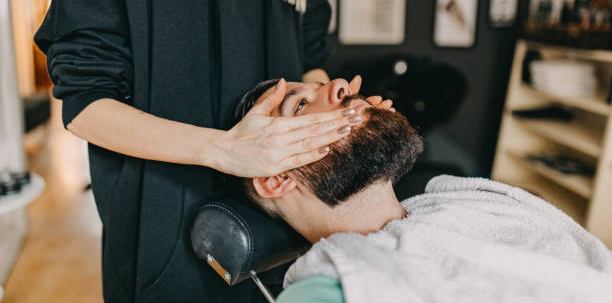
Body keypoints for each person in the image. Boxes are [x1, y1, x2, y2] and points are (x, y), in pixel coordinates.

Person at [33, 0, 392, 301]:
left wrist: (339, 121)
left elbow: (310, 61)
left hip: (284, 230)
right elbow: (86, 107)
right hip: (168, 241)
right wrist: (224, 150)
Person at [234, 79, 612, 303]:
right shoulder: (337, 288)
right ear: (276, 179)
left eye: (327, 85)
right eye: (300, 104)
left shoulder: (469, 205)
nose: (341, 85)